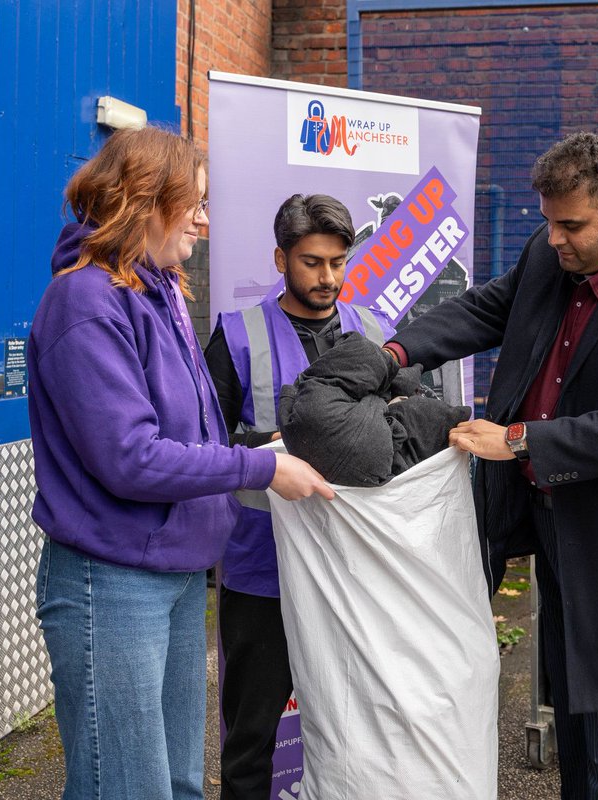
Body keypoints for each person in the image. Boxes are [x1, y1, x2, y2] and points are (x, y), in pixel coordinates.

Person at [384, 132, 598, 799]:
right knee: (574, 743)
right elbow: (491, 305)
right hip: (559, 531)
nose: (554, 240)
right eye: (548, 223)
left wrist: (519, 440)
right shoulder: (552, 258)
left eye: (571, 225)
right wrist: (396, 353)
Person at [27, 127, 334, 800]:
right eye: (191, 202)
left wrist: (261, 452)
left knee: (177, 782)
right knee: (127, 785)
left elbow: (193, 432)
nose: (204, 217)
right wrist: (259, 469)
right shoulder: (85, 302)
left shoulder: (156, 291)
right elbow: (129, 458)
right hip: (111, 582)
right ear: (140, 202)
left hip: (174, 572)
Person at [203, 193, 393, 799]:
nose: (329, 278)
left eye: (339, 262)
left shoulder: (374, 333)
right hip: (264, 570)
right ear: (280, 258)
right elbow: (204, 448)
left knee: (358, 729)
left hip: (355, 568)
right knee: (252, 736)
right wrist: (272, 446)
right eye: (312, 262)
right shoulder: (236, 336)